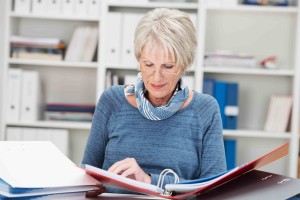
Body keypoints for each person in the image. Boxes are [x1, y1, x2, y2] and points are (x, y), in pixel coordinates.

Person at [82, 7, 226, 194]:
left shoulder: (205, 110)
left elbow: (215, 192)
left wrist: (149, 180)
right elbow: (86, 179)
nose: (156, 78)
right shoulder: (112, 101)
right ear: (138, 60)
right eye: (148, 65)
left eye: (167, 66)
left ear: (185, 64)